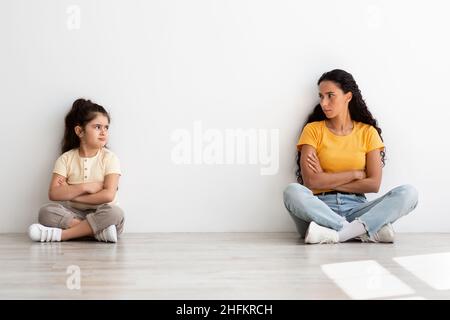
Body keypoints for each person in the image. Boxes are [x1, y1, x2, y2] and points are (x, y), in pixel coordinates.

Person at [283, 69, 418, 244]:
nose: (324, 103)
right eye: (321, 96)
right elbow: (311, 182)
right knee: (292, 192)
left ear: (348, 96)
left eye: (330, 95)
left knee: (409, 193)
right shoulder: (313, 130)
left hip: (357, 208)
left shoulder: (367, 132)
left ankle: (336, 234)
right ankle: (363, 230)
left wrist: (325, 178)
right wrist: (355, 174)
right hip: (319, 209)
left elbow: (373, 184)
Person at [28, 98, 124, 243]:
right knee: (45, 212)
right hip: (75, 215)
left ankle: (62, 235)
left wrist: (72, 194)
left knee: (116, 213)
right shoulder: (66, 159)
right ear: (80, 131)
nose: (103, 132)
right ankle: (98, 233)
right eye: (97, 127)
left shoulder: (110, 158)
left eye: (106, 127)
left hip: (103, 213)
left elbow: (108, 195)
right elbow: (54, 193)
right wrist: (87, 187)